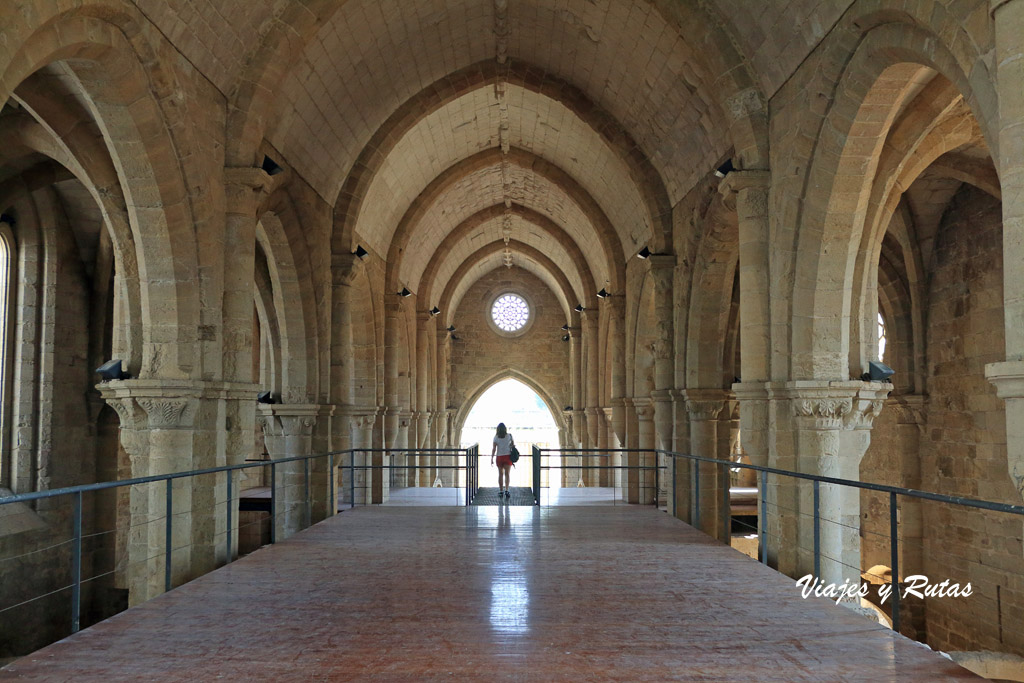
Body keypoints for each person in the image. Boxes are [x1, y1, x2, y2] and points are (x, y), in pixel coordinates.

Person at [491, 422, 515, 499]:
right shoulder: (509, 436)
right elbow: (512, 445)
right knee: (507, 474)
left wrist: (491, 458)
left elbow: (494, 449)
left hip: (499, 457)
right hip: (507, 456)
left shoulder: (496, 437)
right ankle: (507, 490)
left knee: (500, 474)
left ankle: (501, 491)